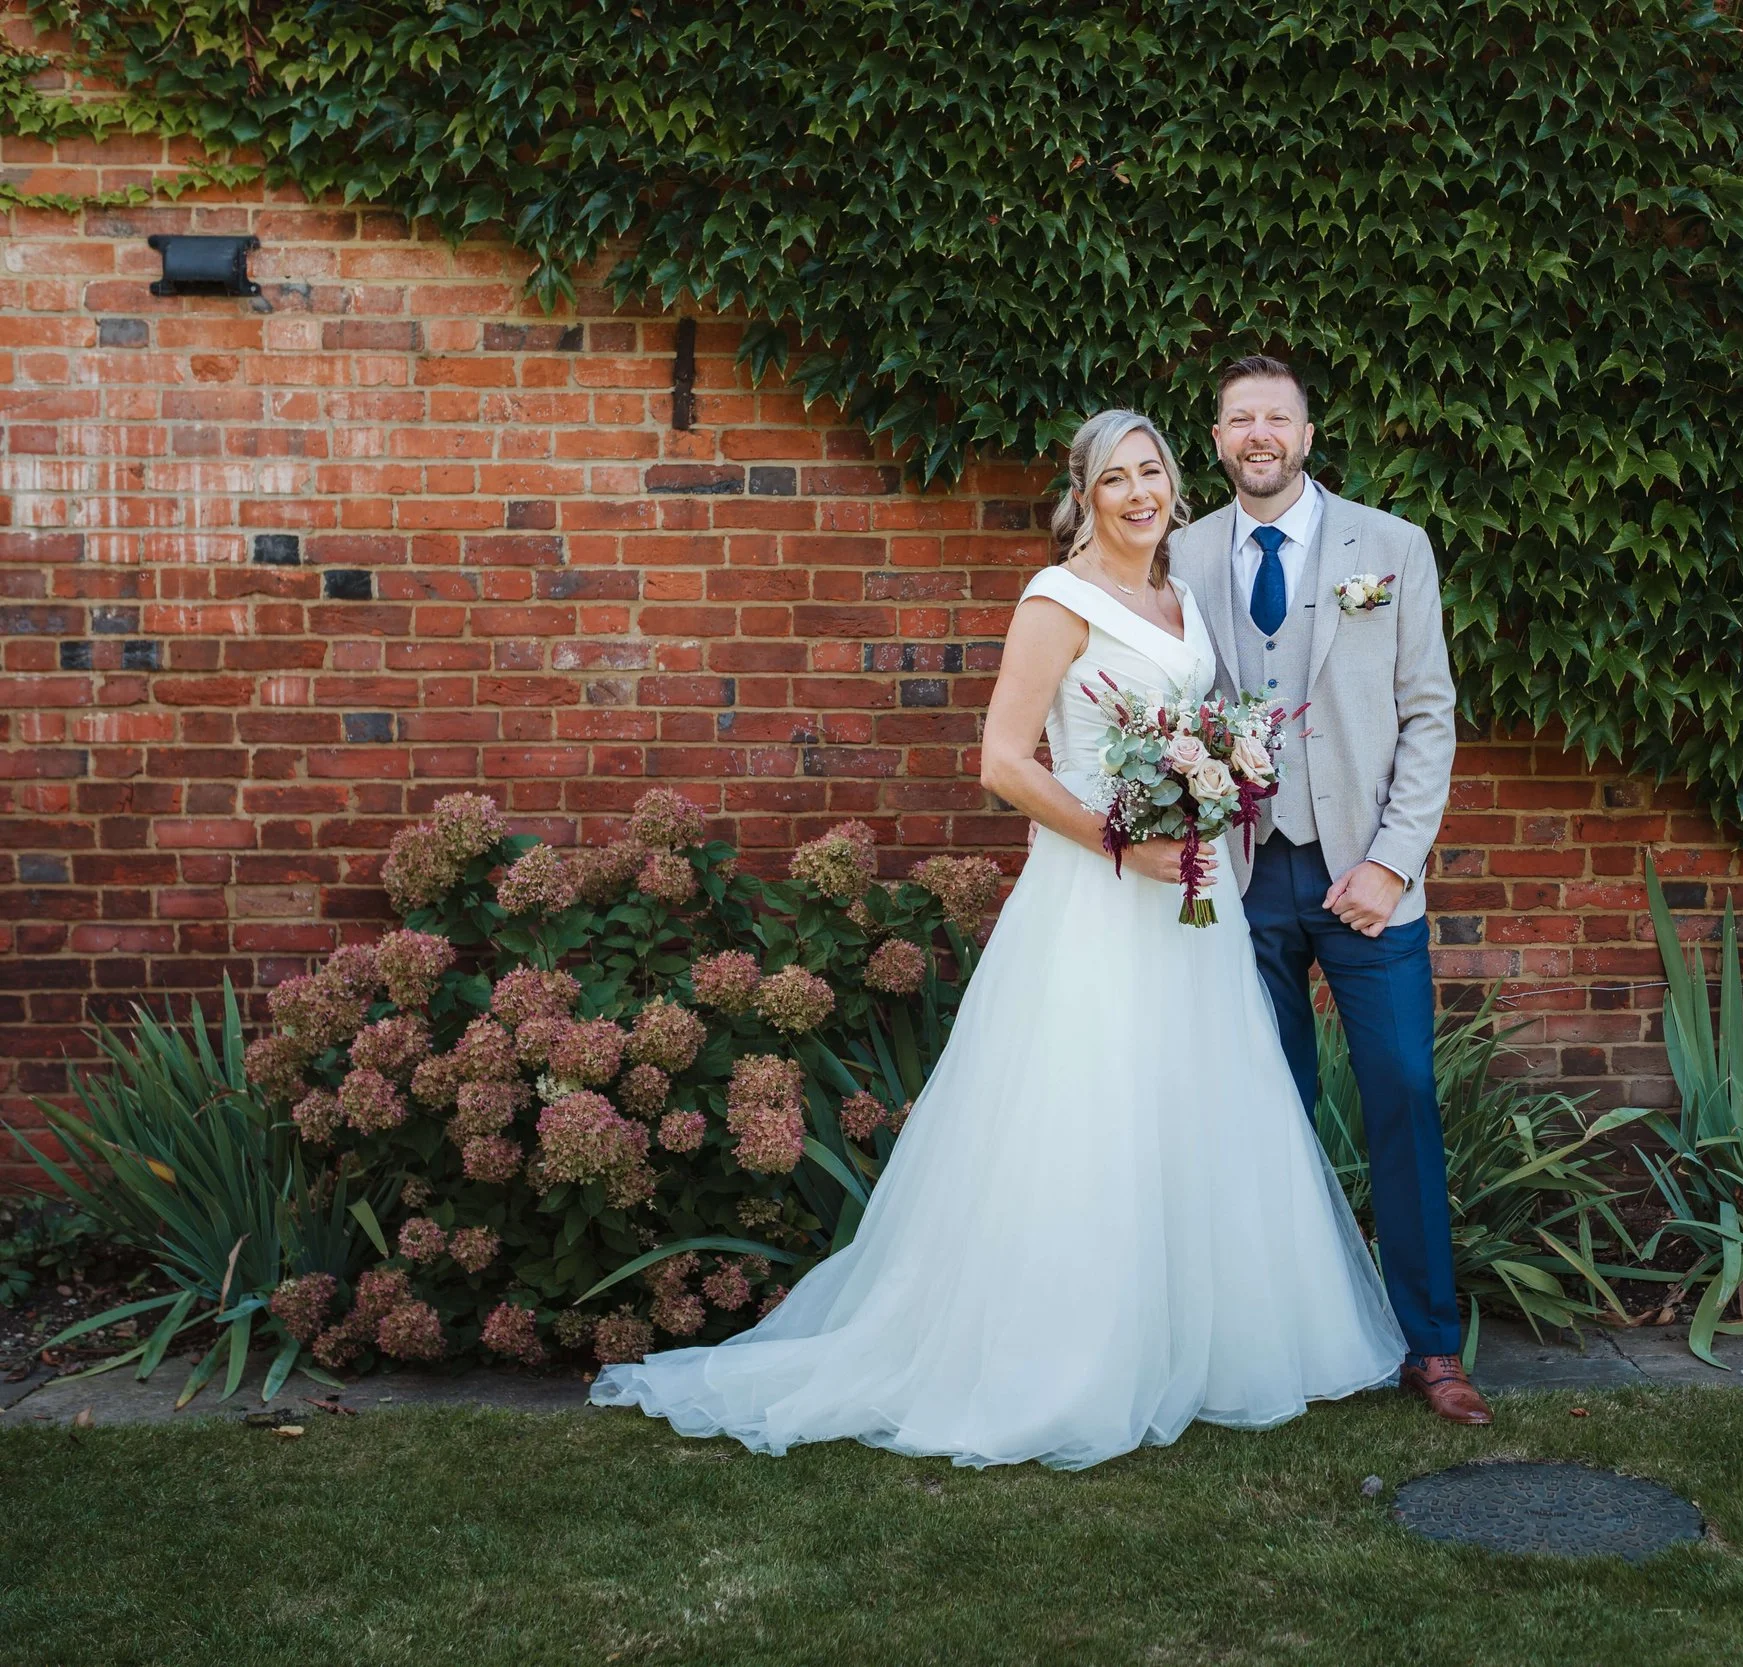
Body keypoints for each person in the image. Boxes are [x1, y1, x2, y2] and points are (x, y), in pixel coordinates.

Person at [590, 409, 1408, 1468]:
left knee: (1185, 1113)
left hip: (1184, 904)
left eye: (1151, 471)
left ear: (1175, 482)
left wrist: (1213, 788)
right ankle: (1064, 1356)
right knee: (1084, 1118)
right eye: (1114, 479)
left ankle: (1189, 1346)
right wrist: (1122, 840)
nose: (1138, 493)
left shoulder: (1178, 594)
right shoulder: (1055, 599)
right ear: (1083, 493)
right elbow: (1002, 759)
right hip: (1096, 900)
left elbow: (1197, 731)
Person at [1166, 355, 1486, 1426]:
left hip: (1365, 877)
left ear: (1307, 433)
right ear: (1215, 439)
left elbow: (1429, 714)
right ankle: (1264, 1341)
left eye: (1277, 416)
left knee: (1400, 1093)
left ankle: (1431, 1346)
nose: (1258, 433)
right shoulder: (1180, 553)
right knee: (1260, 1110)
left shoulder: (1390, 548)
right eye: (1238, 418)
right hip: (1239, 875)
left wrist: (1392, 861)